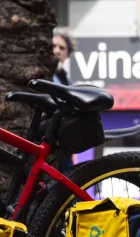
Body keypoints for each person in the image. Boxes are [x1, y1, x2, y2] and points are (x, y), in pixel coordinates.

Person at [52, 28, 75, 172]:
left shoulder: (66, 80)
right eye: (53, 46)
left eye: (62, 48)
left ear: (67, 53)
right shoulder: (46, 75)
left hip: (62, 146)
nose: (57, 51)